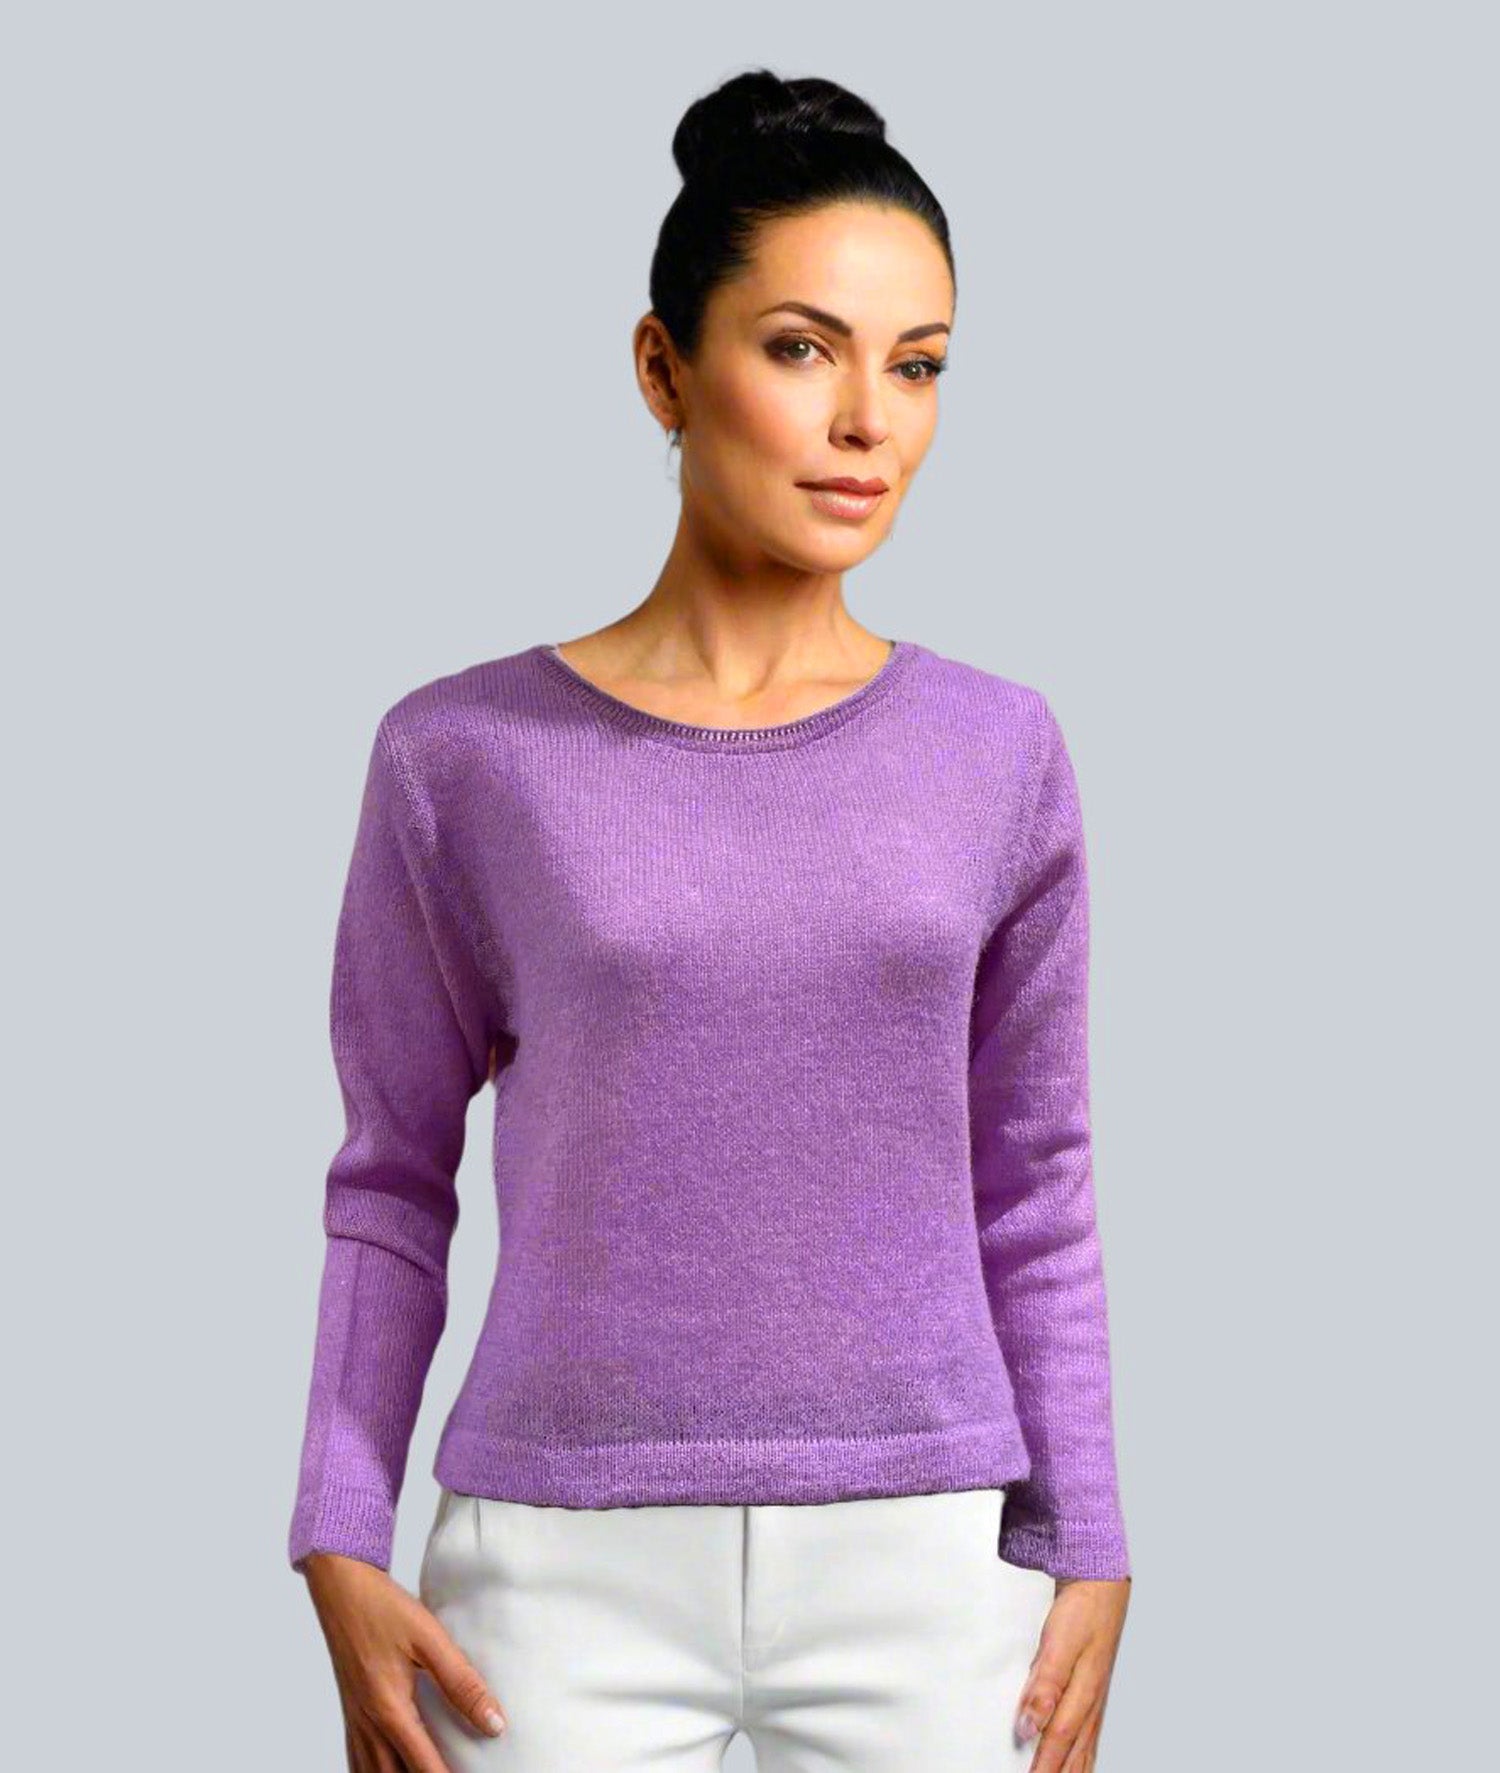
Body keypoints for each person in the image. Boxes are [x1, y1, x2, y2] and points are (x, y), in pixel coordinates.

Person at [288, 66, 1133, 1773]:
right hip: (555, 1568)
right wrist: (337, 1532)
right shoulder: (464, 757)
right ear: (663, 368)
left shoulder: (999, 751)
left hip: (929, 1560)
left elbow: (1035, 1181)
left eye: (919, 365)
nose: (869, 421)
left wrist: (1093, 1536)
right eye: (804, 348)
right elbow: (390, 1178)